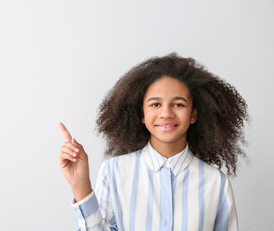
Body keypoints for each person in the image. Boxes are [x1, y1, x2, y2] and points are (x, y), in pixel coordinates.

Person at [59, 53, 248, 231]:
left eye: (179, 104)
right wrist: (80, 187)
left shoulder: (216, 182)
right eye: (155, 104)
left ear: (193, 114)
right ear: (142, 114)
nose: (166, 113)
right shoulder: (114, 172)